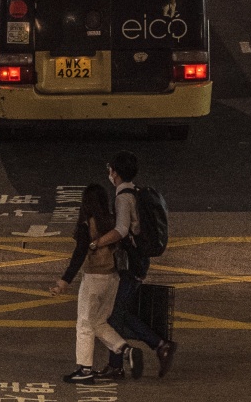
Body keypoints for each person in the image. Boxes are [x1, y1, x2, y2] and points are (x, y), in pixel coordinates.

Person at [50, 183, 130, 383]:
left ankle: (85, 370)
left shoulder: (88, 224)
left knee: (84, 323)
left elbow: (78, 255)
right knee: (99, 321)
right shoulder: (112, 221)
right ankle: (124, 348)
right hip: (113, 278)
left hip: (94, 279)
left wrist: (64, 281)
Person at [107, 151, 174, 377]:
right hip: (138, 260)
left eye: (110, 169)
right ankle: (116, 365)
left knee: (116, 312)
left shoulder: (123, 198)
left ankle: (159, 344)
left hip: (131, 264)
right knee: (117, 311)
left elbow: (122, 230)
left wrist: (97, 243)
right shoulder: (135, 192)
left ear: (114, 173)